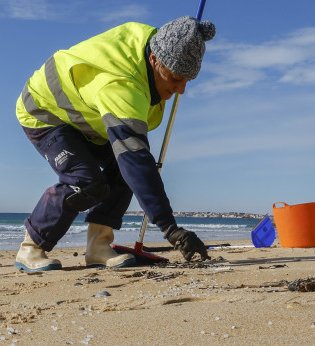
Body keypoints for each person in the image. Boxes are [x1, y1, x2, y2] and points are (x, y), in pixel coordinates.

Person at [13, 16, 215, 272]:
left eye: (187, 81)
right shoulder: (121, 85)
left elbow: (131, 161)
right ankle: (31, 248)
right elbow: (137, 160)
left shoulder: (158, 41)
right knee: (85, 182)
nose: (181, 90)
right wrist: (170, 228)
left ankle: (98, 247)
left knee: (122, 170)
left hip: (89, 116)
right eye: (176, 79)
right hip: (46, 110)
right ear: (154, 60)